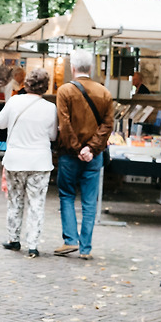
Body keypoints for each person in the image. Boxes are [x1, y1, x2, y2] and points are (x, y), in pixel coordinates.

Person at [54, 49, 114, 260]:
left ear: (72, 68)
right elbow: (108, 125)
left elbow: (64, 123)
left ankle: (70, 239)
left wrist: (77, 148)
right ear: (91, 68)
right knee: (89, 201)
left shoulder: (65, 91)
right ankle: (85, 248)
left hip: (69, 154)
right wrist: (91, 148)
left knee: (67, 195)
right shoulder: (104, 92)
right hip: (94, 155)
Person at [0, 68, 57, 257]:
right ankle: (33, 244)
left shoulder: (14, 102)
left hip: (16, 160)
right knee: (37, 203)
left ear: (26, 83)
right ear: (45, 86)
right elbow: (53, 135)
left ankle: (14, 238)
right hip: (40, 162)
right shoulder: (50, 108)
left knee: (15, 200)